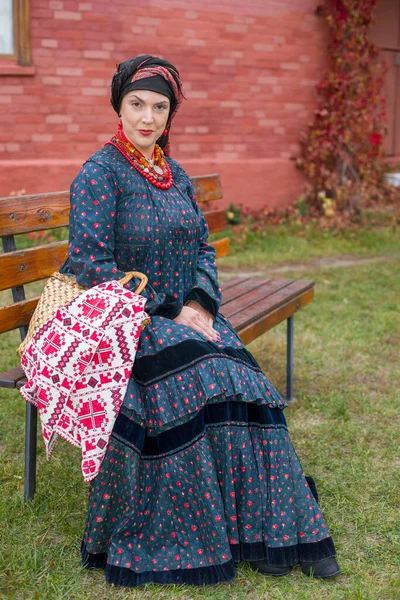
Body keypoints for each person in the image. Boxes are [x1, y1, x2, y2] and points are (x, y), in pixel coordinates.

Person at [60, 55, 340, 587]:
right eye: (136, 104)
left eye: (159, 108)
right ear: (118, 106)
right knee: (202, 376)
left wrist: (199, 305)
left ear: (170, 116)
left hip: (187, 315)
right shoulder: (99, 176)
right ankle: (192, 528)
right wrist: (158, 316)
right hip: (125, 322)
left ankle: (283, 524)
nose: (147, 117)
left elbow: (204, 251)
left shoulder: (176, 175)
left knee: (248, 381)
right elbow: (91, 268)